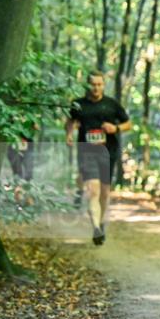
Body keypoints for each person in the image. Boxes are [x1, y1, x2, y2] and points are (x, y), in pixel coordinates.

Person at [66, 71, 132, 245]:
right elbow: (70, 120)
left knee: (104, 192)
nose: (96, 88)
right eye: (93, 84)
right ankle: (95, 227)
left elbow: (128, 123)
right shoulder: (78, 104)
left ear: (103, 85)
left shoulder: (112, 105)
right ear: (88, 85)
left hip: (108, 152)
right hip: (86, 152)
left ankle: (101, 223)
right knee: (93, 190)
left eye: (99, 84)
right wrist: (69, 134)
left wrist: (115, 128)